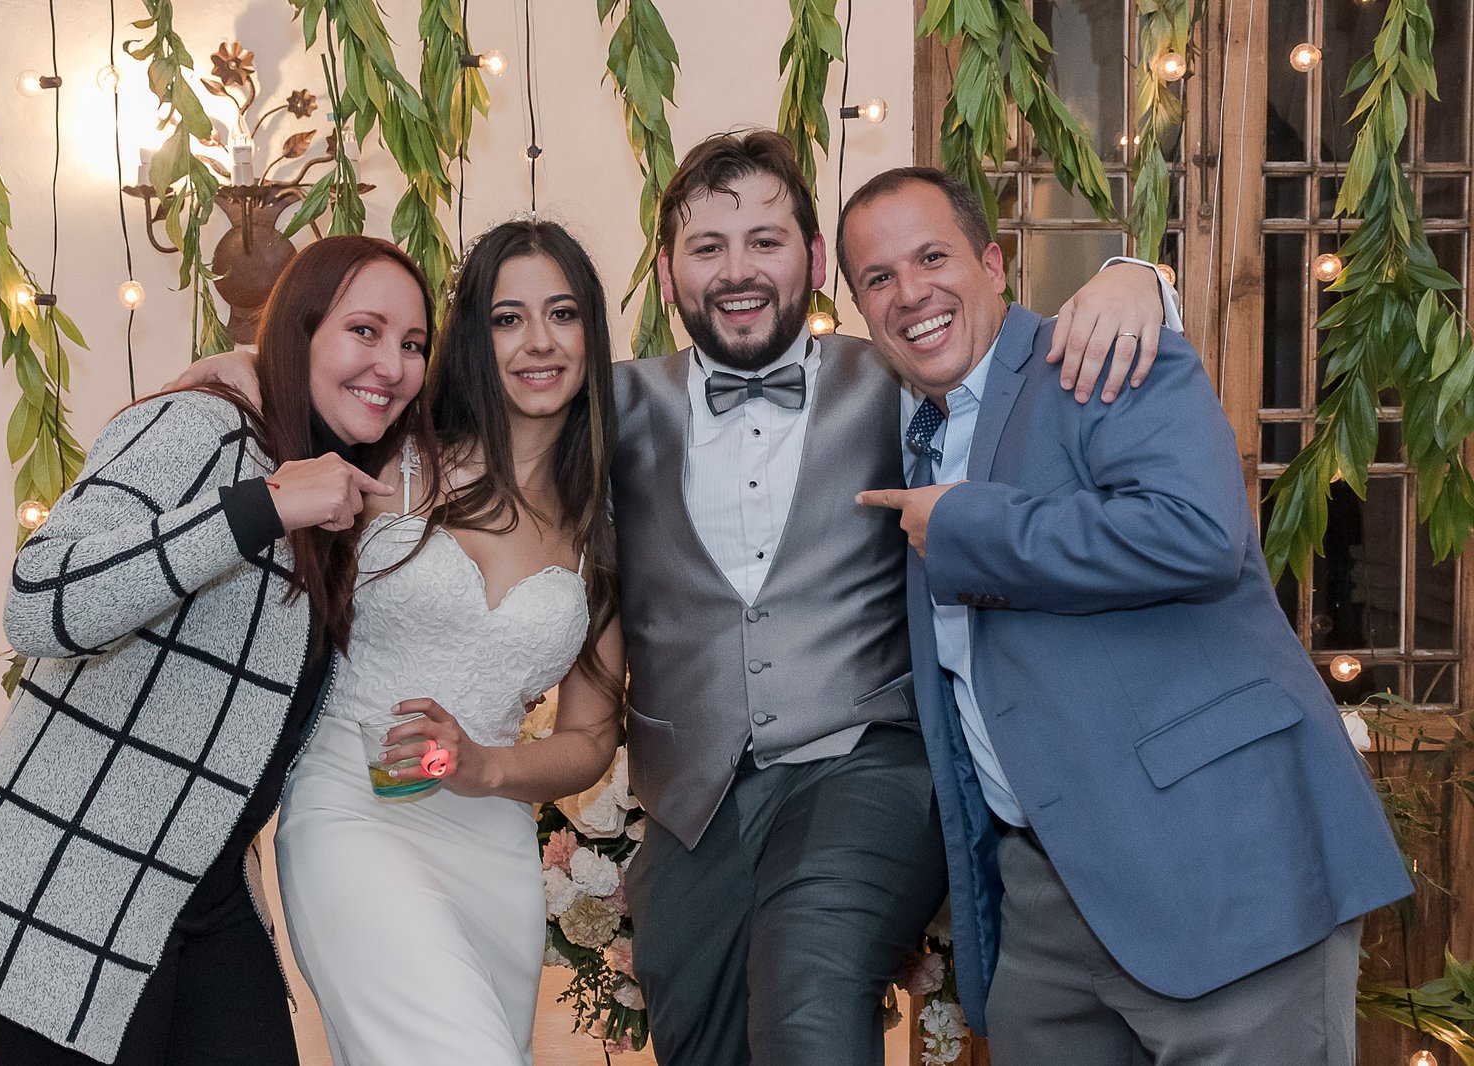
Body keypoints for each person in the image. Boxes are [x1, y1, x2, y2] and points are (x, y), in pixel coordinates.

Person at [612, 129, 1180, 1066]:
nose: (737, 270)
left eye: (766, 240)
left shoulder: (901, 374)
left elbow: (1037, 356)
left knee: (809, 1003)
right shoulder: (615, 408)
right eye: (707, 248)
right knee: (699, 1043)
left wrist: (1139, 276)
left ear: (817, 261)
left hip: (866, 765)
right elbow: (468, 428)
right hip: (691, 800)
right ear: (669, 274)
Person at [844, 166, 1413, 1065]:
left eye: (931, 257)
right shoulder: (905, 427)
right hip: (1044, 905)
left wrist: (968, 521)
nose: (910, 291)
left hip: (1219, 866)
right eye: (878, 278)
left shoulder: (1097, 350)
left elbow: (1198, 535)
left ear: (993, 263)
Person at [0, 234, 435, 1065]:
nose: (392, 364)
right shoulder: (202, 428)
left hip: (209, 895)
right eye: (364, 330)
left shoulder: (341, 491)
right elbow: (40, 598)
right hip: (69, 895)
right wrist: (259, 504)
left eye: (412, 344)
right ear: (296, 335)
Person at [174, 218, 625, 1066]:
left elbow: (590, 737)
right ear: (471, 339)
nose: (537, 341)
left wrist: (489, 767)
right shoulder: (393, 458)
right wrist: (234, 371)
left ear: (591, 336)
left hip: (489, 848)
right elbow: (223, 474)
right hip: (352, 810)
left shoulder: (601, 520)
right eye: (506, 317)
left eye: (562, 314)